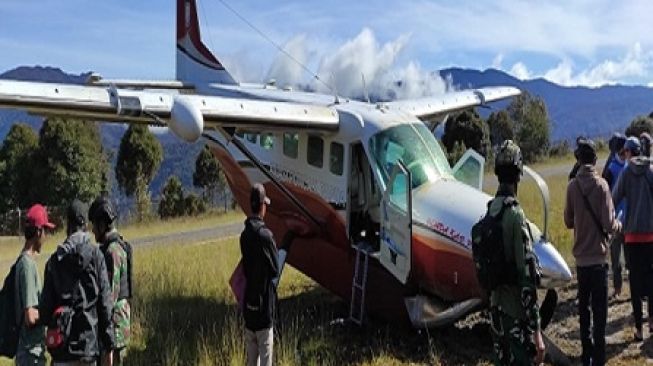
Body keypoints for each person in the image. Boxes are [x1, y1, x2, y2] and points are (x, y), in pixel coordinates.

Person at [564, 138, 621, 366]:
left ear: (578, 160)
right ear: (595, 160)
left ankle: (586, 354)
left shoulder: (572, 186)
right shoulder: (602, 186)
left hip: (581, 260)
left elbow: (568, 221)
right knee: (600, 312)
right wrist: (618, 225)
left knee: (584, 310)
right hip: (598, 259)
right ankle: (599, 357)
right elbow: (609, 224)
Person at [488, 140, 545, 365]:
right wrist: (537, 330)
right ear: (518, 174)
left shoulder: (491, 210)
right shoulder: (515, 216)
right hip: (515, 317)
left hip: (495, 313)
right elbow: (527, 276)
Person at [40, 200, 115, 365]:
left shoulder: (54, 261)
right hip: (88, 350)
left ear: (68, 224)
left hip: (62, 350)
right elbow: (105, 305)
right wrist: (109, 345)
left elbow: (45, 312)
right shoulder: (96, 257)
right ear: (86, 225)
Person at [612, 137, 653, 341]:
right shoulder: (651, 170)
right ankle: (652, 321)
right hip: (651, 235)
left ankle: (639, 328)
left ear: (629, 152)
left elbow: (614, 198)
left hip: (632, 237)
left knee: (635, 283)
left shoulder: (626, 172)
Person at [88, 195, 131, 365]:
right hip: (116, 326)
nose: (92, 231)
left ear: (102, 224)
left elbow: (109, 297)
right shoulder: (114, 247)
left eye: (94, 225)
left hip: (115, 328)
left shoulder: (112, 251)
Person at [240, 183, 279, 366]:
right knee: (265, 360)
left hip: (249, 306)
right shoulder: (266, 236)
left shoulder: (244, 235)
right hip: (264, 311)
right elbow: (274, 271)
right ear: (263, 206)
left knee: (251, 360)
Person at [14, 204, 54, 366]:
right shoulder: (27, 265)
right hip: (30, 354)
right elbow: (30, 316)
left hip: (29, 352)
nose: (46, 236)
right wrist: (50, 312)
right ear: (38, 232)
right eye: (45, 231)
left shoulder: (23, 262)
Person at [603, 135, 627, 298]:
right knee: (616, 256)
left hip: (630, 218)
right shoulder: (611, 170)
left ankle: (636, 289)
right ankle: (618, 287)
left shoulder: (628, 166)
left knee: (631, 257)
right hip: (616, 219)